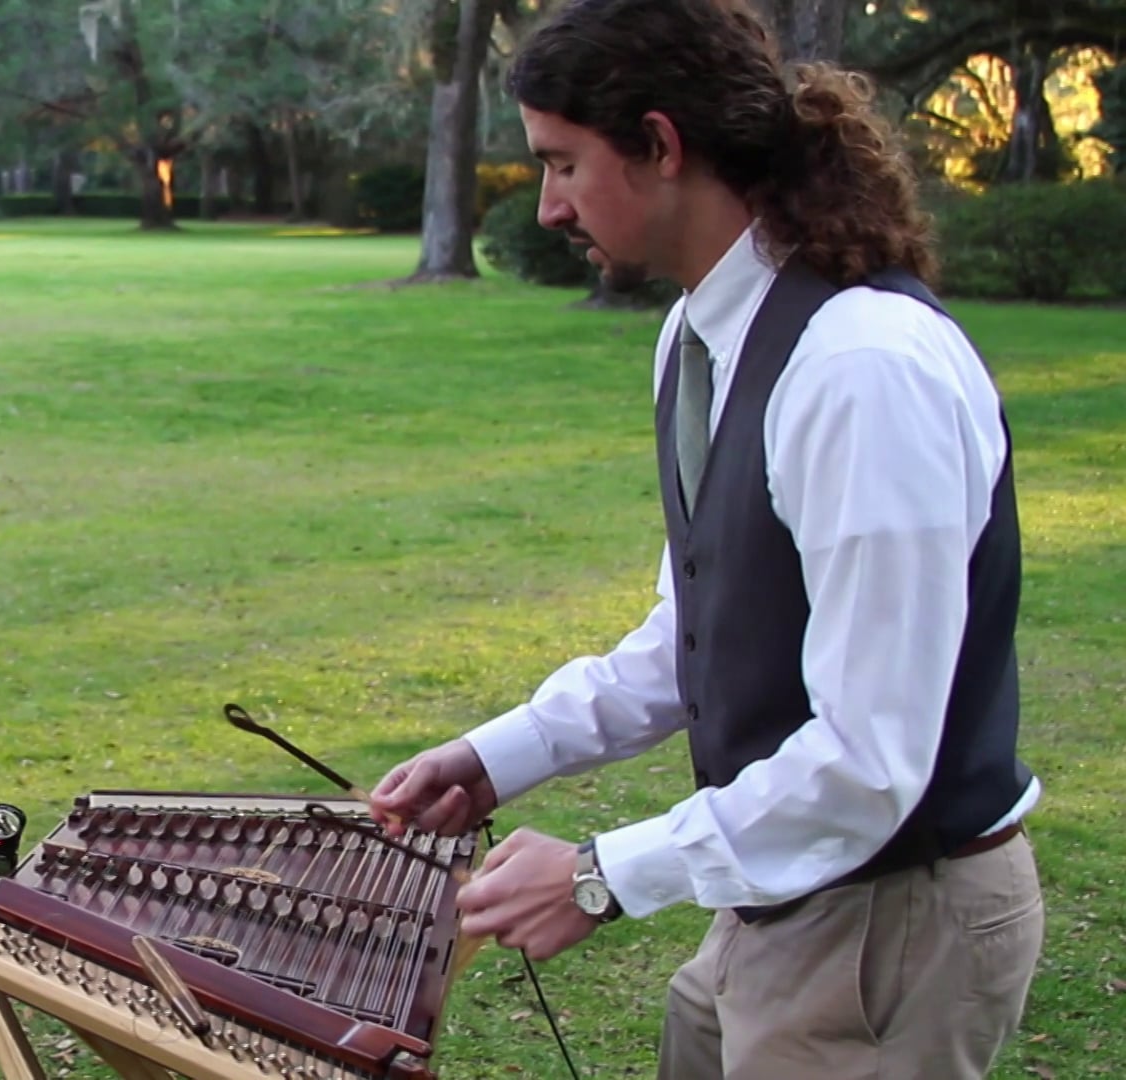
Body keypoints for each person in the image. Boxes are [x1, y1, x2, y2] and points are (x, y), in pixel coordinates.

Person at [367, 2, 1045, 1077]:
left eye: (562, 165)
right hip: (783, 897)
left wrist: (600, 873)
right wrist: (499, 758)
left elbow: (874, 759)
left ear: (661, 145)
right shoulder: (700, 335)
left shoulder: (862, 370)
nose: (546, 208)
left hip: (892, 925)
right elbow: (701, 631)